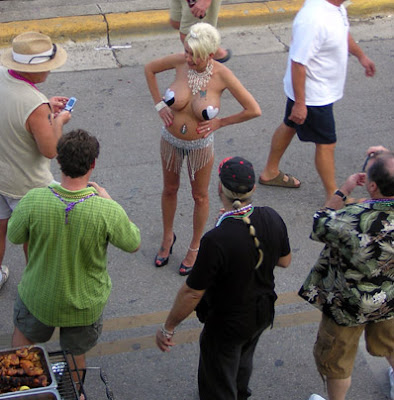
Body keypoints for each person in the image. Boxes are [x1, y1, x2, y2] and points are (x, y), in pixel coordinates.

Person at [9, 129, 141, 379]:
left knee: (22, 345)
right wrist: (111, 202)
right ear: (92, 164)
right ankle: (75, 393)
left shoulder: (34, 199)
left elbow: (15, 236)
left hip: (38, 297)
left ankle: (20, 385)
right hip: (84, 304)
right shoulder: (106, 210)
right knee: (75, 355)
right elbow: (133, 242)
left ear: (58, 160)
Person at [156, 156, 291, 399]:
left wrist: (168, 328)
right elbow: (284, 260)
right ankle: (240, 392)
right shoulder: (271, 217)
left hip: (227, 322)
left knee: (218, 376)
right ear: (253, 190)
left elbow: (192, 292)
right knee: (243, 357)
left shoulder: (216, 240)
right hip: (261, 312)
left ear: (220, 188)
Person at [145, 22, 261, 276]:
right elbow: (149, 69)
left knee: (200, 197)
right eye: (186, 52)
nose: (187, 58)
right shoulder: (179, 62)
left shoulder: (222, 75)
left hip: (200, 147)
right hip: (170, 141)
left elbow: (253, 109)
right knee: (169, 190)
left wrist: (219, 122)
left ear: (209, 55)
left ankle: (195, 245)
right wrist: (159, 105)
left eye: (193, 56)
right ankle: (167, 237)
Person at [298, 146, 394, 400]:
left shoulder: (352, 218)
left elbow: (320, 223)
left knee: (337, 362)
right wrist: (386, 156)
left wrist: (344, 190)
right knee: (392, 344)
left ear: (372, 187)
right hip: (391, 299)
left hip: (347, 304)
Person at [258, 0, 376, 202]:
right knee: (326, 143)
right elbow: (298, 63)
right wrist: (301, 103)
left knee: (290, 124)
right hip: (313, 95)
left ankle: (269, 171)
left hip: (315, 91)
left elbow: (342, 33)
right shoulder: (313, 19)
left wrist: (361, 56)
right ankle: (335, 197)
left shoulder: (335, 8)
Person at [0, 31, 72, 291]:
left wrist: (44, 108)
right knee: (34, 238)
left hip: (1, 177)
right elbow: (51, 150)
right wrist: (58, 121)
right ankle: (36, 287)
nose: (50, 72)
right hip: (26, 186)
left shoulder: (1, 75)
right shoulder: (35, 104)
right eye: (46, 67)